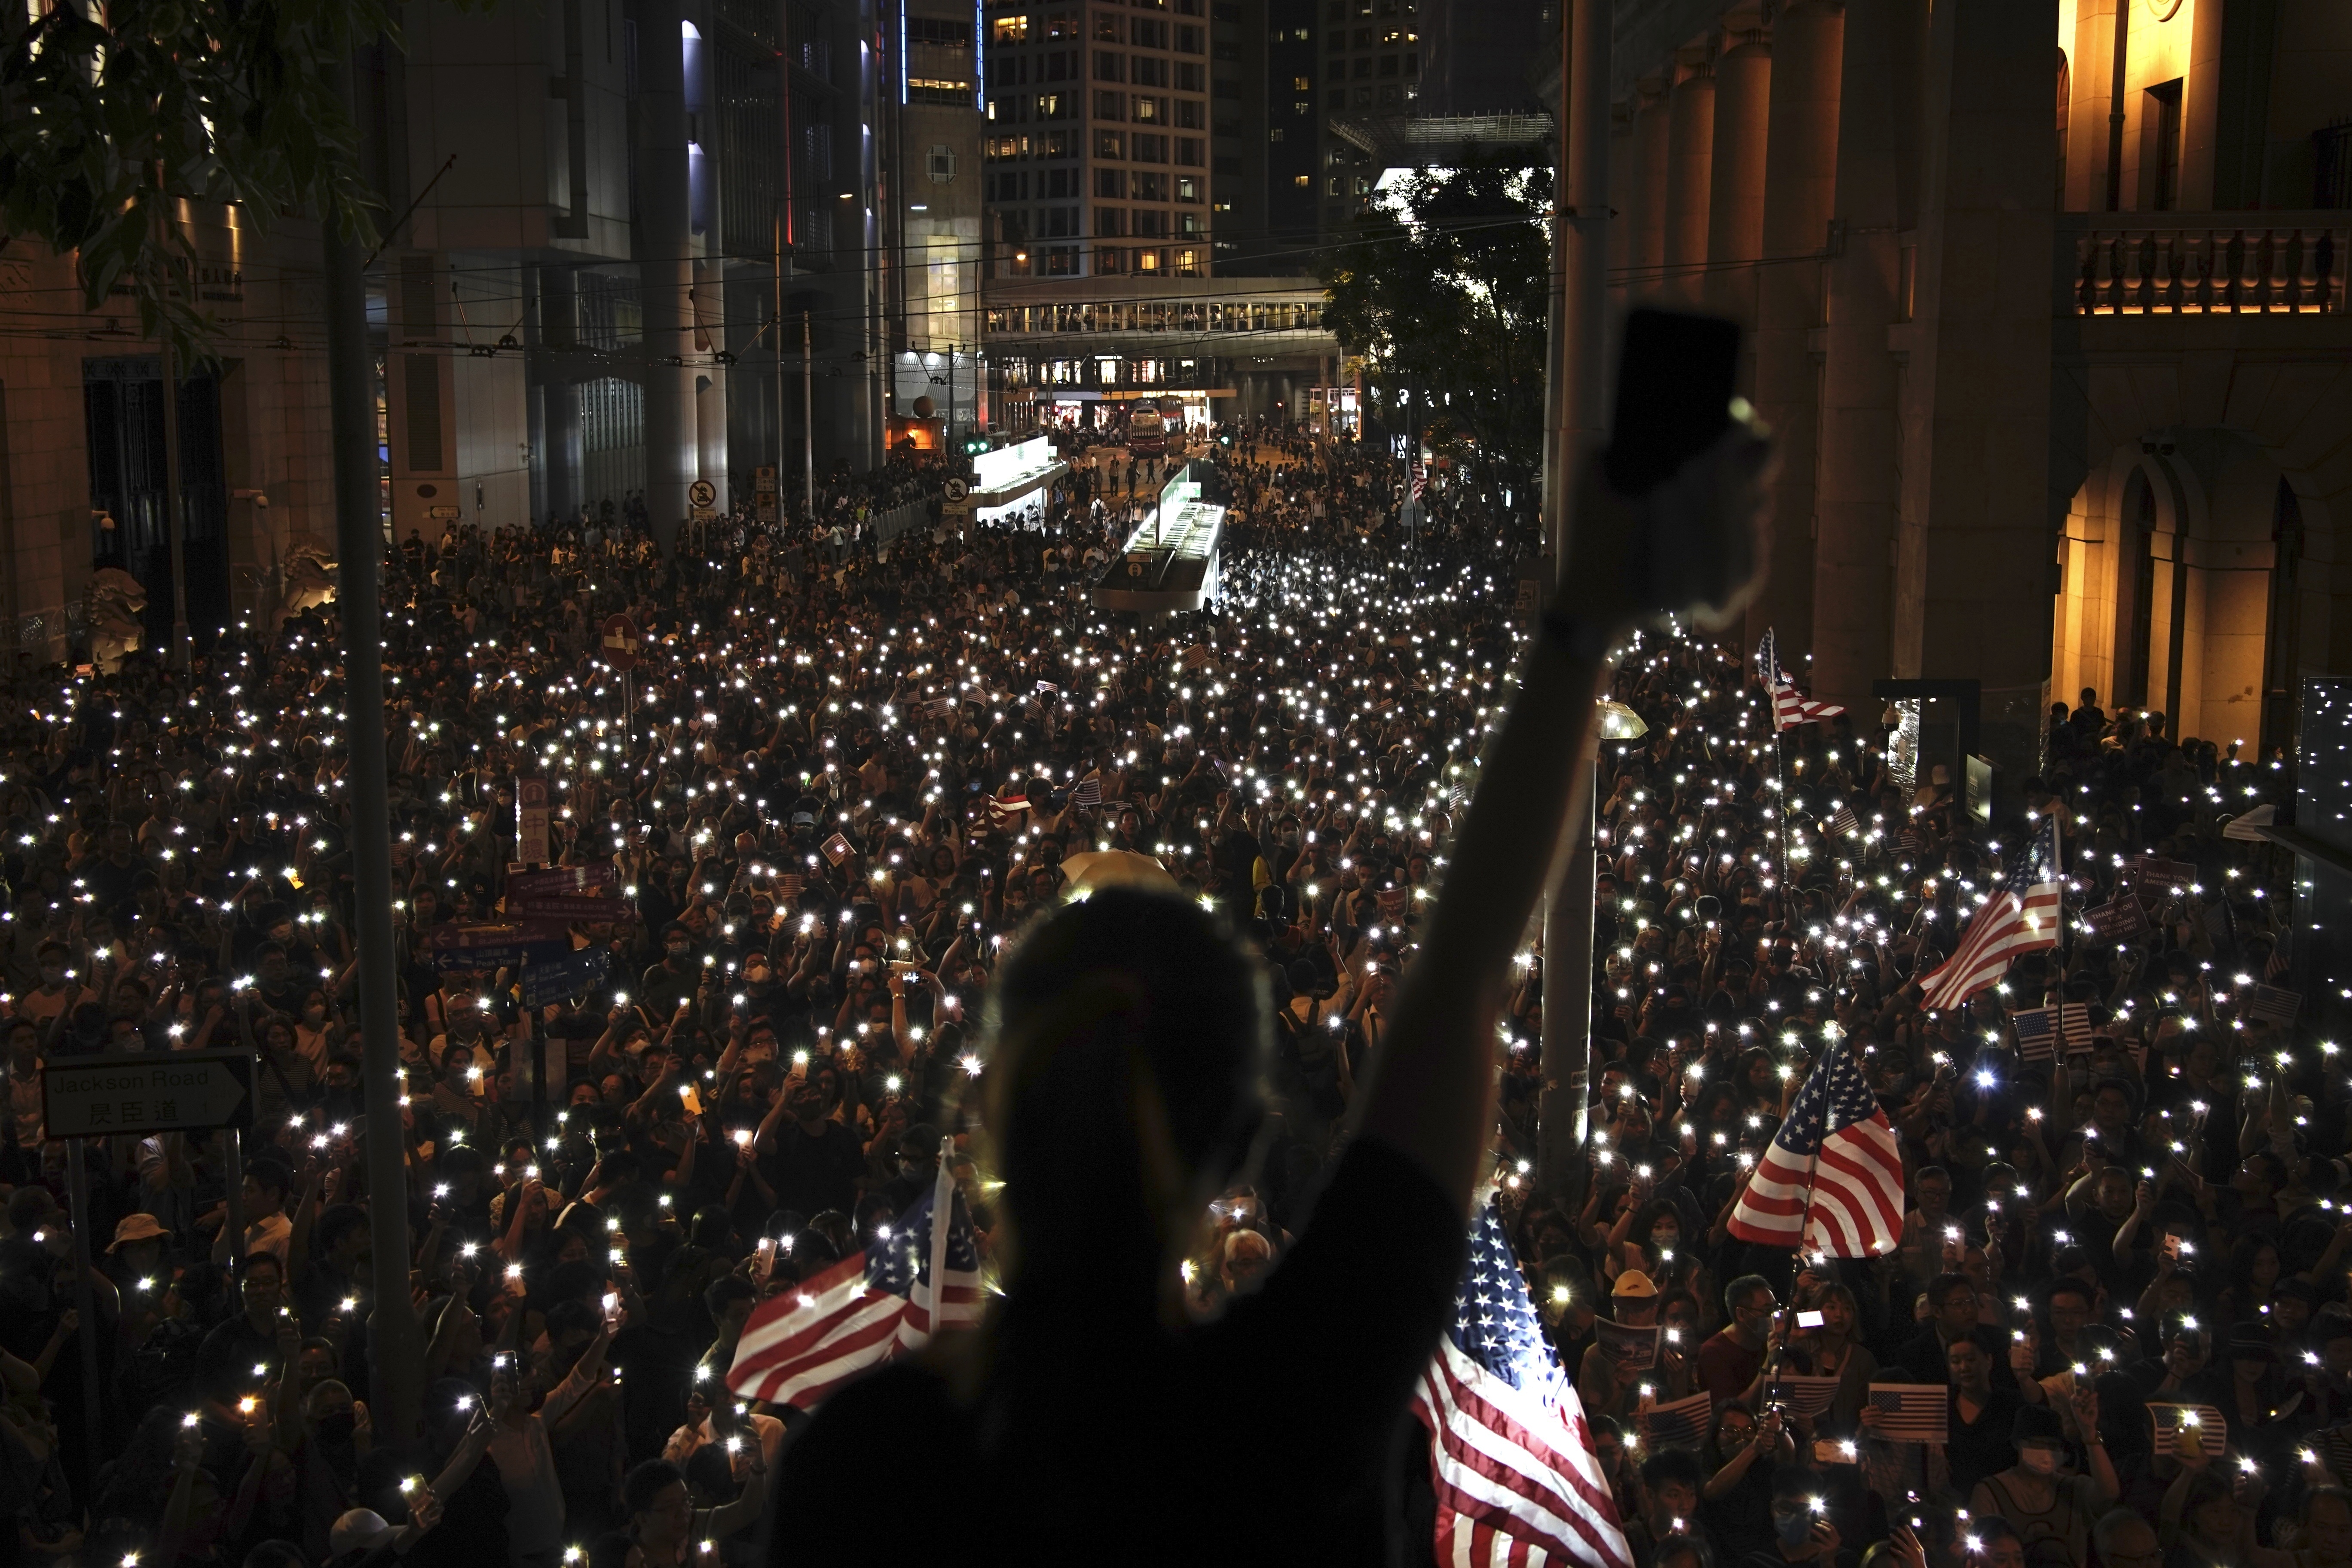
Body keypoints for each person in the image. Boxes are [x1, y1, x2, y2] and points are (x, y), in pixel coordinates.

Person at [763, 413, 1774, 1557]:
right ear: (1242, 1131)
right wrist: (1585, 615)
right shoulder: (1297, 1400)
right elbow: (1460, 971)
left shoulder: (866, 1464)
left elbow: (1456, 977)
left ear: (989, 1117)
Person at [1967, 1398, 2119, 1568]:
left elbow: (2109, 1492)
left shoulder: (2074, 1489)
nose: (2046, 1451)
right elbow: (1979, 1553)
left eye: (2053, 1445)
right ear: (2018, 1443)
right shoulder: (1991, 1491)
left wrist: (2090, 1435)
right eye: (2037, 1443)